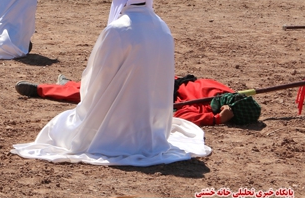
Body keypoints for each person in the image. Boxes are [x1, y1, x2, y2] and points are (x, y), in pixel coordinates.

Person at [11, 0, 212, 166]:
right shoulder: (163, 28)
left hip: (114, 131)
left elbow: (98, 79)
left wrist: (87, 107)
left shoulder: (118, 30)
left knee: (58, 126)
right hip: (152, 129)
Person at [15, 74, 261, 128]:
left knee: (102, 90)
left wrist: (217, 117)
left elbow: (178, 115)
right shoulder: (212, 97)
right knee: (100, 89)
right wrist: (217, 119)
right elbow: (181, 116)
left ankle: (52, 87)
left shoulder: (217, 93)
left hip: (161, 85)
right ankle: (55, 87)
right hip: (161, 85)